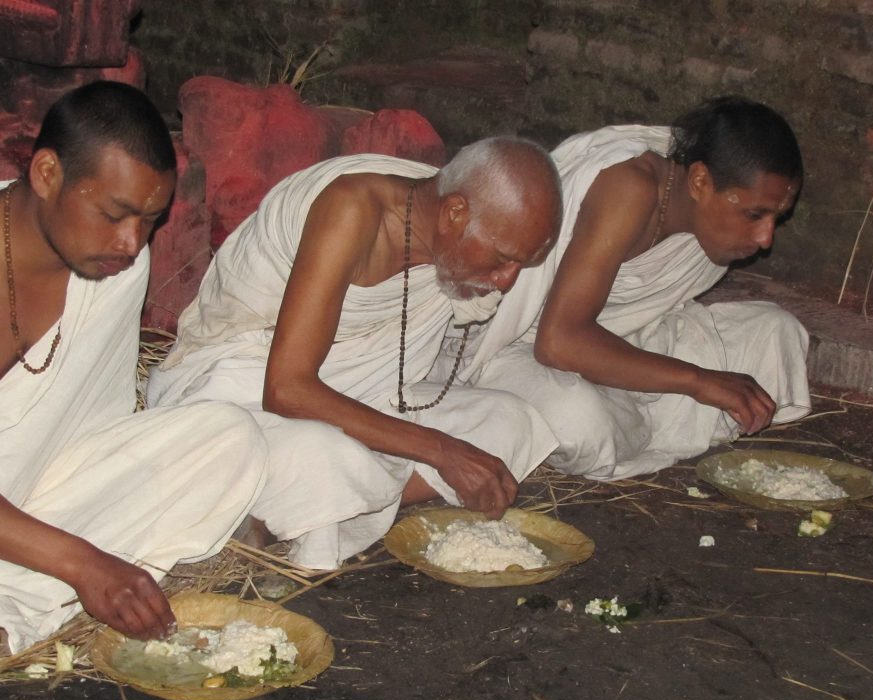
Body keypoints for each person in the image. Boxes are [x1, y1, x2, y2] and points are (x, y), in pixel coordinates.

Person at [0, 81, 267, 657]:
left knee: (230, 439)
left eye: (150, 220)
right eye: (114, 215)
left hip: (19, 493)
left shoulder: (114, 265)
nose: (131, 243)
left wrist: (96, 522)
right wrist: (85, 564)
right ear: (47, 174)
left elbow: (86, 429)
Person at [148, 138, 563, 570]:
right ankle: (308, 505)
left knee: (510, 422)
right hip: (243, 392)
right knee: (328, 457)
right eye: (503, 259)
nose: (507, 280)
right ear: (453, 213)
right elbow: (286, 390)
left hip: (365, 398)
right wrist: (442, 452)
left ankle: (304, 507)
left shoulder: (447, 218)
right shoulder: (350, 210)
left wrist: (445, 450)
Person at [444, 96, 811, 480]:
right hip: (522, 344)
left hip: (625, 337)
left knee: (777, 332)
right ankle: (634, 418)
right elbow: (558, 342)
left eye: (776, 218)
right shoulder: (629, 187)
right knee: (581, 422)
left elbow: (640, 315)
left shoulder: (707, 216)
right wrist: (698, 381)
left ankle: (635, 417)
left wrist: (697, 379)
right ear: (700, 181)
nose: (766, 237)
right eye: (754, 215)